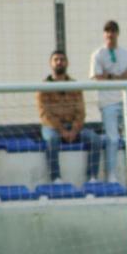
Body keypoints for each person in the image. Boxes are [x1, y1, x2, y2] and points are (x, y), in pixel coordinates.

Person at [36, 50, 103, 183]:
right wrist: (62, 130)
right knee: (52, 141)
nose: (59, 62)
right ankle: (56, 178)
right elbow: (44, 114)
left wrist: (73, 129)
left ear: (67, 63)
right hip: (52, 127)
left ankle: (92, 177)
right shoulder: (43, 87)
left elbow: (80, 111)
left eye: (62, 59)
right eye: (56, 59)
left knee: (95, 139)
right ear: (51, 63)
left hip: (73, 127)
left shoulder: (74, 85)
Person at [89, 20, 127, 183]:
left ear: (118, 33)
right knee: (113, 139)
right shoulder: (97, 54)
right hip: (107, 103)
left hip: (126, 100)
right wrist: (118, 77)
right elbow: (98, 78)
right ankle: (111, 175)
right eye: (107, 31)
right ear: (104, 34)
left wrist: (109, 76)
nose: (110, 34)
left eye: (113, 31)